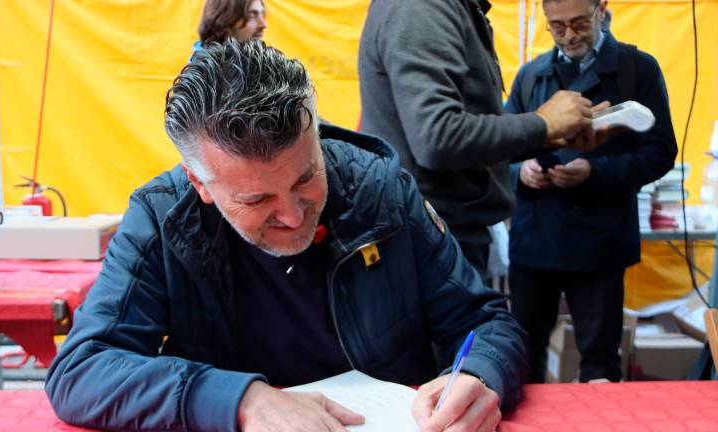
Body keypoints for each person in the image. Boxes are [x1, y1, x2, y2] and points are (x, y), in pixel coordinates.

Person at [45, 39, 528, 432]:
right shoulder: (162, 218)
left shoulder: (380, 189)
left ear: (316, 138)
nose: (294, 217)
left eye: (306, 178)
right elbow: (80, 370)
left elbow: (485, 321)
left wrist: (478, 374)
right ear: (200, 184)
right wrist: (239, 400)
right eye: (256, 201)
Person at [358, 0, 608, 277]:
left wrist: (547, 136)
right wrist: (542, 124)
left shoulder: (449, 8)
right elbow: (438, 137)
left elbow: (451, 131)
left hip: (436, 235)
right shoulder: (421, 8)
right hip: (428, 239)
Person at [505, 0, 677, 383]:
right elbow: (500, 149)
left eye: (579, 23)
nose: (568, 36)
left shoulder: (636, 69)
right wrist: (521, 171)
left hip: (599, 243)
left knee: (599, 364)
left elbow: (661, 151)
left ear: (601, 9)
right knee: (520, 361)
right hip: (535, 243)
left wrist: (594, 172)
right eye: (557, 26)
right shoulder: (532, 75)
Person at [196, 0, 266, 45]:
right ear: (223, 20)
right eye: (251, 15)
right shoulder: (202, 67)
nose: (263, 25)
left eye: (262, 14)